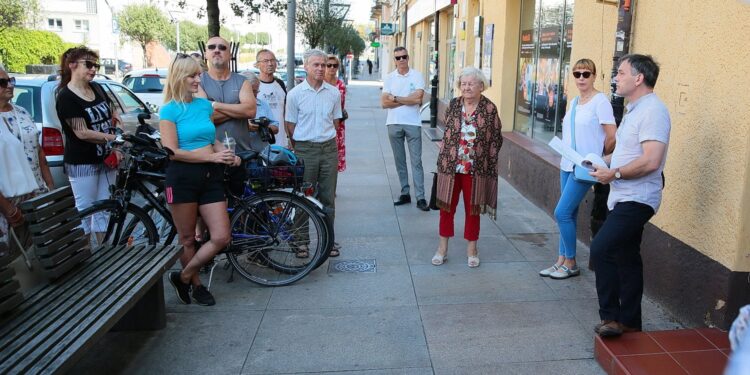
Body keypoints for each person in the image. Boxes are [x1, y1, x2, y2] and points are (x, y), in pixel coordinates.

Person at [589, 54, 671, 337]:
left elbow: (651, 160)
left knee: (601, 248)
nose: (615, 78)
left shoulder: (654, 111)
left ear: (639, 78)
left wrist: (615, 174)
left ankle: (610, 318)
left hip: (638, 197)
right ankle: (631, 322)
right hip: (621, 196)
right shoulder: (636, 109)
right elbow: (627, 152)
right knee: (626, 257)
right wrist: (601, 161)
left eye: (621, 73)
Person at [160, 55, 238, 306]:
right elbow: (173, 151)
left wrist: (223, 154)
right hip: (182, 177)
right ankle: (196, 286)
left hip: (209, 176)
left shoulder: (203, 106)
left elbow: (210, 140)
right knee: (187, 238)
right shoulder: (169, 110)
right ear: (179, 78)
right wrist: (212, 158)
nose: (198, 80)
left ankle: (182, 276)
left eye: (198, 75)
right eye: (192, 76)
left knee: (221, 236)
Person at [539, 59, 616, 280]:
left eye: (586, 74)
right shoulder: (573, 102)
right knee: (568, 213)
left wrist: (600, 157)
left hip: (584, 168)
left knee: (561, 212)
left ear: (594, 76)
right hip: (567, 163)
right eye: (577, 74)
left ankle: (571, 262)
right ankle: (561, 260)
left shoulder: (600, 101)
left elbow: (612, 135)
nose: (581, 78)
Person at [432, 67, 503, 268]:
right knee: (446, 208)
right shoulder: (454, 105)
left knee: (473, 210)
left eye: (471, 83)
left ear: (481, 86)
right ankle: (442, 249)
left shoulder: (489, 109)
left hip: (476, 169)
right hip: (450, 166)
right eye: (463, 84)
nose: (467, 87)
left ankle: (472, 250)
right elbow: (447, 131)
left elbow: (497, 138)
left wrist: (486, 159)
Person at [55, 46, 123, 238]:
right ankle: (83, 257)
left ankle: (103, 256)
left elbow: (114, 113)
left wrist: (116, 141)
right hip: (82, 161)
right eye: (89, 64)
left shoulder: (97, 87)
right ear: (72, 66)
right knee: (85, 211)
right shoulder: (66, 97)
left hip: (106, 159)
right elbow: (82, 133)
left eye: (96, 65)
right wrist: (114, 138)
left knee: (105, 209)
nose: (94, 69)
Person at [285, 49, 342, 257]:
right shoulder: (295, 94)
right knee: (303, 196)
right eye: (316, 65)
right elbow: (290, 125)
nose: (320, 68)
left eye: (323, 64)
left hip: (328, 148)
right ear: (306, 67)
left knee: (328, 198)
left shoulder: (333, 93)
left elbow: (336, 121)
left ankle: (329, 241)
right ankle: (302, 242)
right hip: (305, 149)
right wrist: (302, 145)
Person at [0, 69, 54, 255]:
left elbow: (39, 151)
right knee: (14, 259)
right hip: (9, 199)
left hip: (36, 194)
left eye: (10, 80)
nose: (9, 85)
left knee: (40, 252)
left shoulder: (22, 112)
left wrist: (50, 186)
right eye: (2, 82)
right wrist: (8, 208)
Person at [196, 36, 256, 197]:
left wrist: (215, 105)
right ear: (206, 54)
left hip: (240, 155)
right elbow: (203, 118)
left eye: (222, 48)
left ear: (230, 54)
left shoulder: (242, 81)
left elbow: (250, 111)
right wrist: (237, 110)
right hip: (210, 157)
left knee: (241, 211)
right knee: (210, 212)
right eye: (212, 47)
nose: (217, 50)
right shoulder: (198, 82)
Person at [381, 46, 428, 211]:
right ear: (394, 60)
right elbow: (384, 103)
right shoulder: (389, 78)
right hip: (393, 123)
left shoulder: (417, 75)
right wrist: (408, 99)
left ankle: (421, 197)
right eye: (398, 58)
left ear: (409, 57)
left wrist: (395, 98)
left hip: (413, 123)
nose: (401, 60)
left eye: (404, 57)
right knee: (399, 161)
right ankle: (405, 193)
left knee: (417, 161)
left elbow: (419, 98)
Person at [255, 49, 288, 147]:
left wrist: (288, 137)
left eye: (272, 60)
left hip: (281, 141)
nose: (270, 64)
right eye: (265, 61)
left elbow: (285, 113)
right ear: (257, 65)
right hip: (261, 142)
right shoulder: (253, 85)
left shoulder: (280, 84)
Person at [324, 54, 347, 173]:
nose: (332, 68)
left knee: (335, 158)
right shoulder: (320, 83)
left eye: (335, 65)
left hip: (337, 125)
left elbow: (341, 107)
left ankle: (332, 188)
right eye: (329, 65)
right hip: (321, 124)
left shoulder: (341, 85)